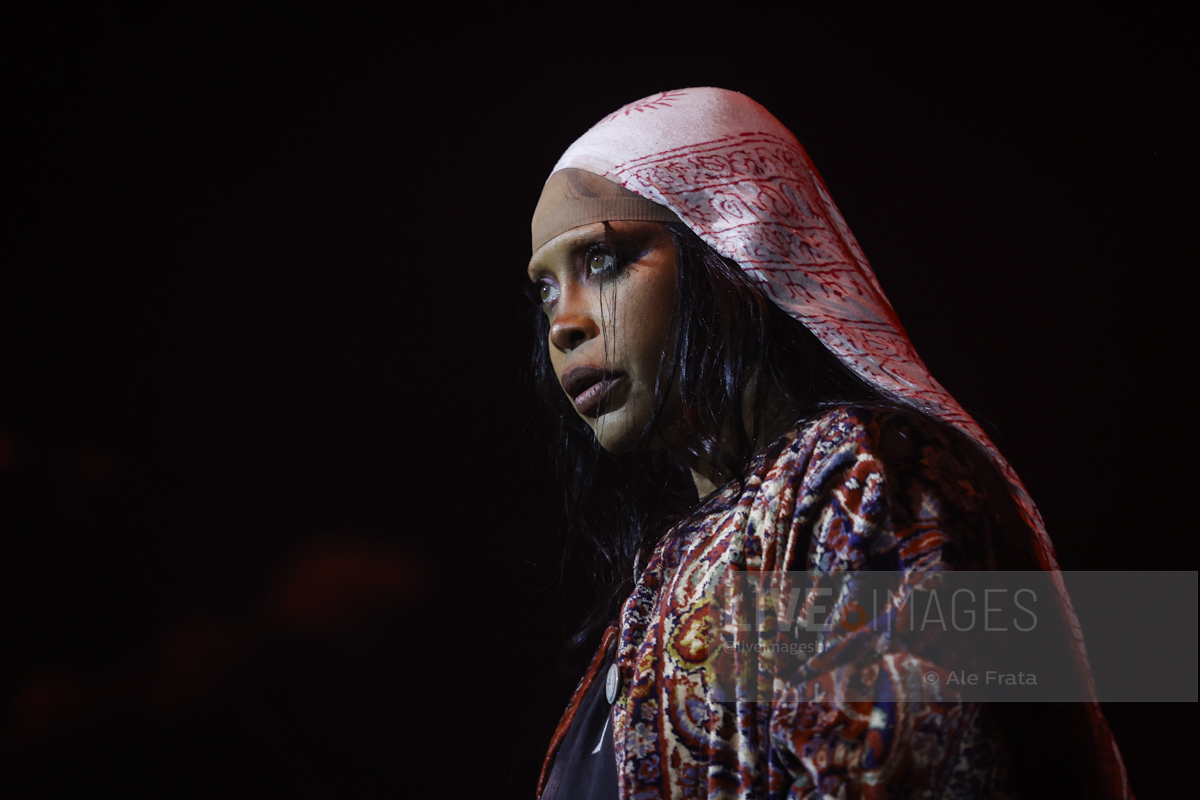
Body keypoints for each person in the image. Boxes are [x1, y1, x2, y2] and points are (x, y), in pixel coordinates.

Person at [525, 88, 1131, 800]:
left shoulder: (862, 479)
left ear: (733, 247)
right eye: (545, 290)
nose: (562, 324)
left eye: (602, 259)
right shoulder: (668, 575)